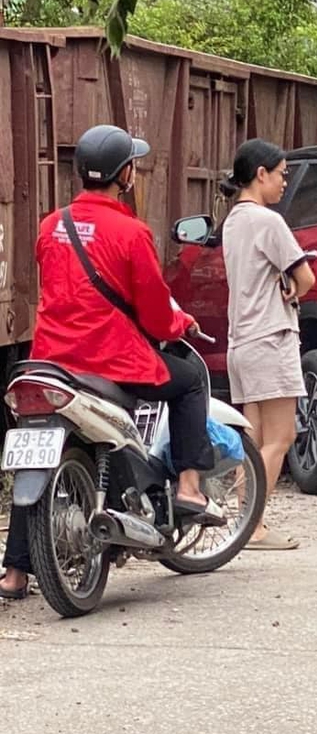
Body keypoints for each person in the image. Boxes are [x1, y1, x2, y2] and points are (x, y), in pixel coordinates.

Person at [0, 124, 223, 600]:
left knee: (33, 456)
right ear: (125, 174)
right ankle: (188, 486)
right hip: (111, 360)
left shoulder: (50, 224)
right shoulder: (131, 231)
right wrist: (181, 326)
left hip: (50, 362)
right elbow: (157, 315)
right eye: (133, 167)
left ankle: (15, 573)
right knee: (188, 383)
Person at [222, 139, 315, 550]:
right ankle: (254, 526)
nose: (283, 184)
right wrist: (292, 289)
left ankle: (244, 522)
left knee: (254, 439)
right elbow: (306, 278)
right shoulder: (268, 221)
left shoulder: (232, 221)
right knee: (281, 437)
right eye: (281, 175)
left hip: (241, 340)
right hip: (271, 337)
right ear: (261, 173)